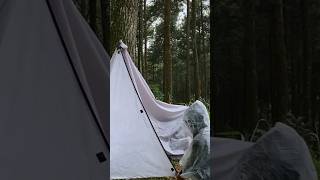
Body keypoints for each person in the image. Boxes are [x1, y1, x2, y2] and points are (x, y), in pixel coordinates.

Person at [178, 101, 210, 180]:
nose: (188, 125)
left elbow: (191, 168)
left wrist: (181, 176)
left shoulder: (199, 140)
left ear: (193, 122)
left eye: (188, 122)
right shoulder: (208, 132)